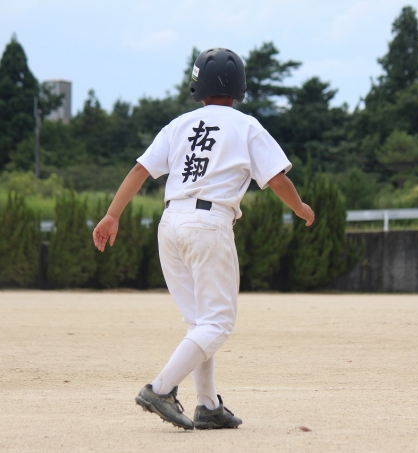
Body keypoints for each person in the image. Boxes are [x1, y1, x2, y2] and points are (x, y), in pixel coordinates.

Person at [92, 47, 314, 430]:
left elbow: (141, 170)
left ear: (197, 86)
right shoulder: (246, 126)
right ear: (240, 87)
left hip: (170, 224)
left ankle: (208, 406)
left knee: (200, 322)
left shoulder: (179, 125)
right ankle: (160, 388)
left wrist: (113, 214)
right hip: (208, 225)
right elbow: (277, 179)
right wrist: (301, 208)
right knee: (218, 323)